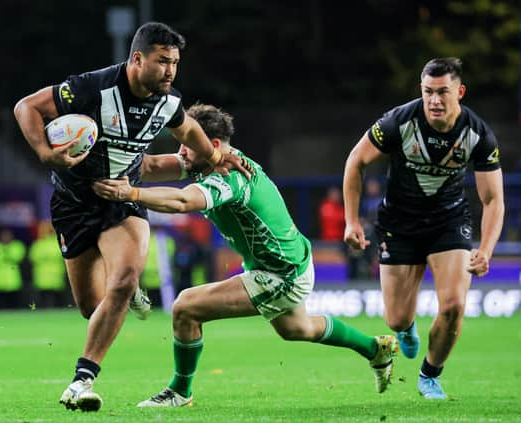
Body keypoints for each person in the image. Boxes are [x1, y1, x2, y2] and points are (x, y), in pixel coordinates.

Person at [93, 103, 399, 407]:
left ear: (211, 145)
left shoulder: (231, 176)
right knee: (297, 328)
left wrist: (130, 193)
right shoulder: (207, 158)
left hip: (280, 273)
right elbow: (150, 167)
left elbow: (183, 201)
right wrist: (101, 153)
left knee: (185, 306)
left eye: (186, 145)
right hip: (289, 261)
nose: (182, 152)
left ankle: (179, 391)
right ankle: (375, 348)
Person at [13, 22, 251, 411]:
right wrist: (45, 152)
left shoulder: (168, 102)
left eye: (174, 63)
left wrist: (215, 157)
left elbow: (189, 130)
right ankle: (124, 294)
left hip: (123, 203)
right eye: (162, 62)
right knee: (94, 308)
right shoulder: (92, 88)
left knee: (122, 282)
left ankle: (81, 381)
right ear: (137, 59)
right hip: (73, 204)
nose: (170, 71)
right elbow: (27, 107)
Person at [342, 58, 504, 399]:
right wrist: (352, 220)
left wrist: (486, 250)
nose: (435, 100)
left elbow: (493, 200)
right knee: (397, 319)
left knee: (454, 306)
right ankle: (406, 328)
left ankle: (430, 375)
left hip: (449, 222)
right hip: (398, 225)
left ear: (459, 92)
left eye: (443, 92)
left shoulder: (478, 133)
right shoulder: (398, 121)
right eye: (428, 91)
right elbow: (356, 161)